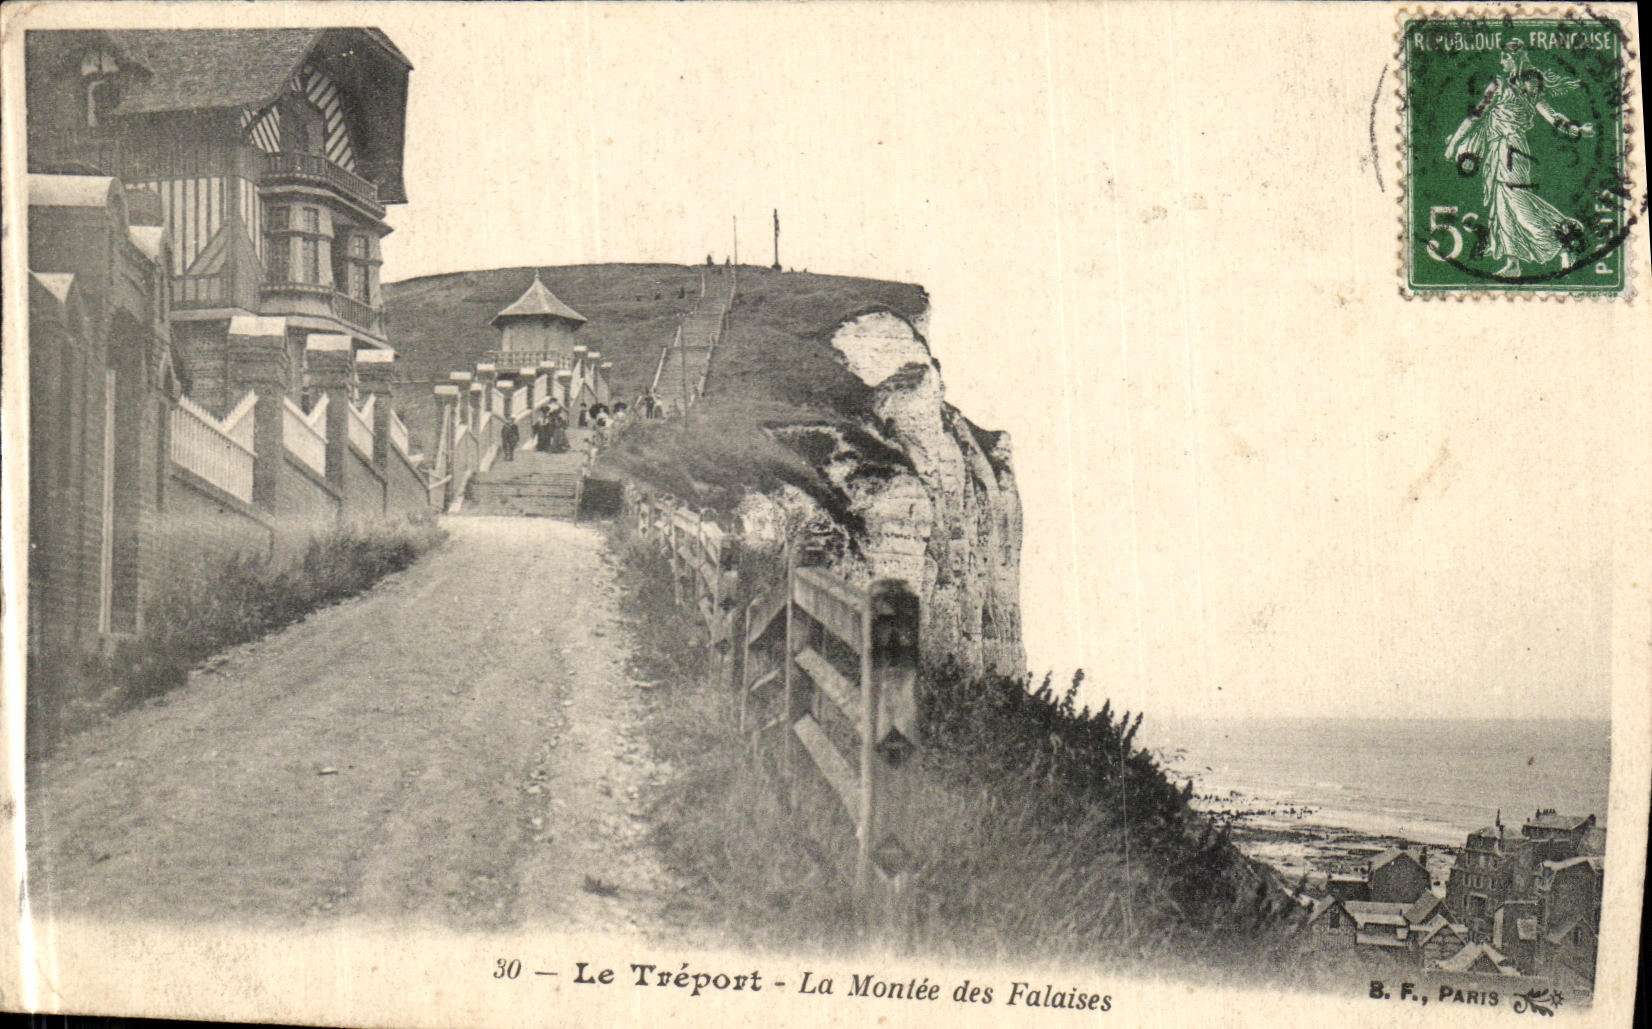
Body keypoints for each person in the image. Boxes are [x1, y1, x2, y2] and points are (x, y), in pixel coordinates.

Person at [1444, 42, 1593, 277]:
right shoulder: (1501, 86)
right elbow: (1477, 115)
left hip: (1511, 150)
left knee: (1516, 202)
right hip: (1498, 150)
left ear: (1516, 60)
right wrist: (1456, 142)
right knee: (1501, 204)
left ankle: (1564, 238)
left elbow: (1552, 117)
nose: (1501, 63)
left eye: (1505, 58)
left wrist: (1578, 130)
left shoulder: (1526, 89)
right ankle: (1514, 263)